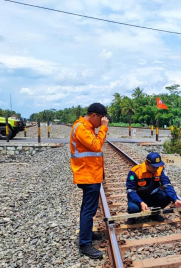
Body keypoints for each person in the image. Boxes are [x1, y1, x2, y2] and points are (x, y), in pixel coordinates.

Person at [70, 103, 109, 259]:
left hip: (91, 174)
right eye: (102, 119)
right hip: (87, 175)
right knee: (89, 210)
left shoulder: (87, 127)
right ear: (94, 116)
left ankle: (86, 235)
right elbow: (96, 145)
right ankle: (85, 244)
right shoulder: (81, 128)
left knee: (87, 208)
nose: (103, 122)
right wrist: (103, 129)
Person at [126, 152, 181, 224]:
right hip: (138, 197)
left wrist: (175, 199)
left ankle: (154, 214)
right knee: (133, 208)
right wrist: (140, 202)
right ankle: (132, 217)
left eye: (157, 166)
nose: (156, 169)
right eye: (153, 167)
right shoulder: (135, 172)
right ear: (146, 164)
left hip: (151, 196)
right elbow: (131, 191)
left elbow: (167, 185)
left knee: (167, 196)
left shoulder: (160, 169)